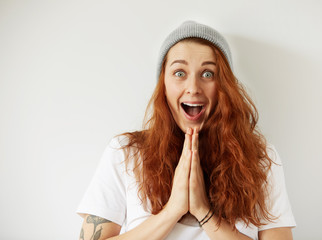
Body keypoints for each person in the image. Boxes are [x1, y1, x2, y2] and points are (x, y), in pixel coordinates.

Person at [76, 21, 296, 240]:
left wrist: (204, 213)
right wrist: (173, 210)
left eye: (208, 74)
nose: (193, 88)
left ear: (225, 86)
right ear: (163, 83)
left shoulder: (261, 158)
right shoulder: (125, 153)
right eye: (179, 73)